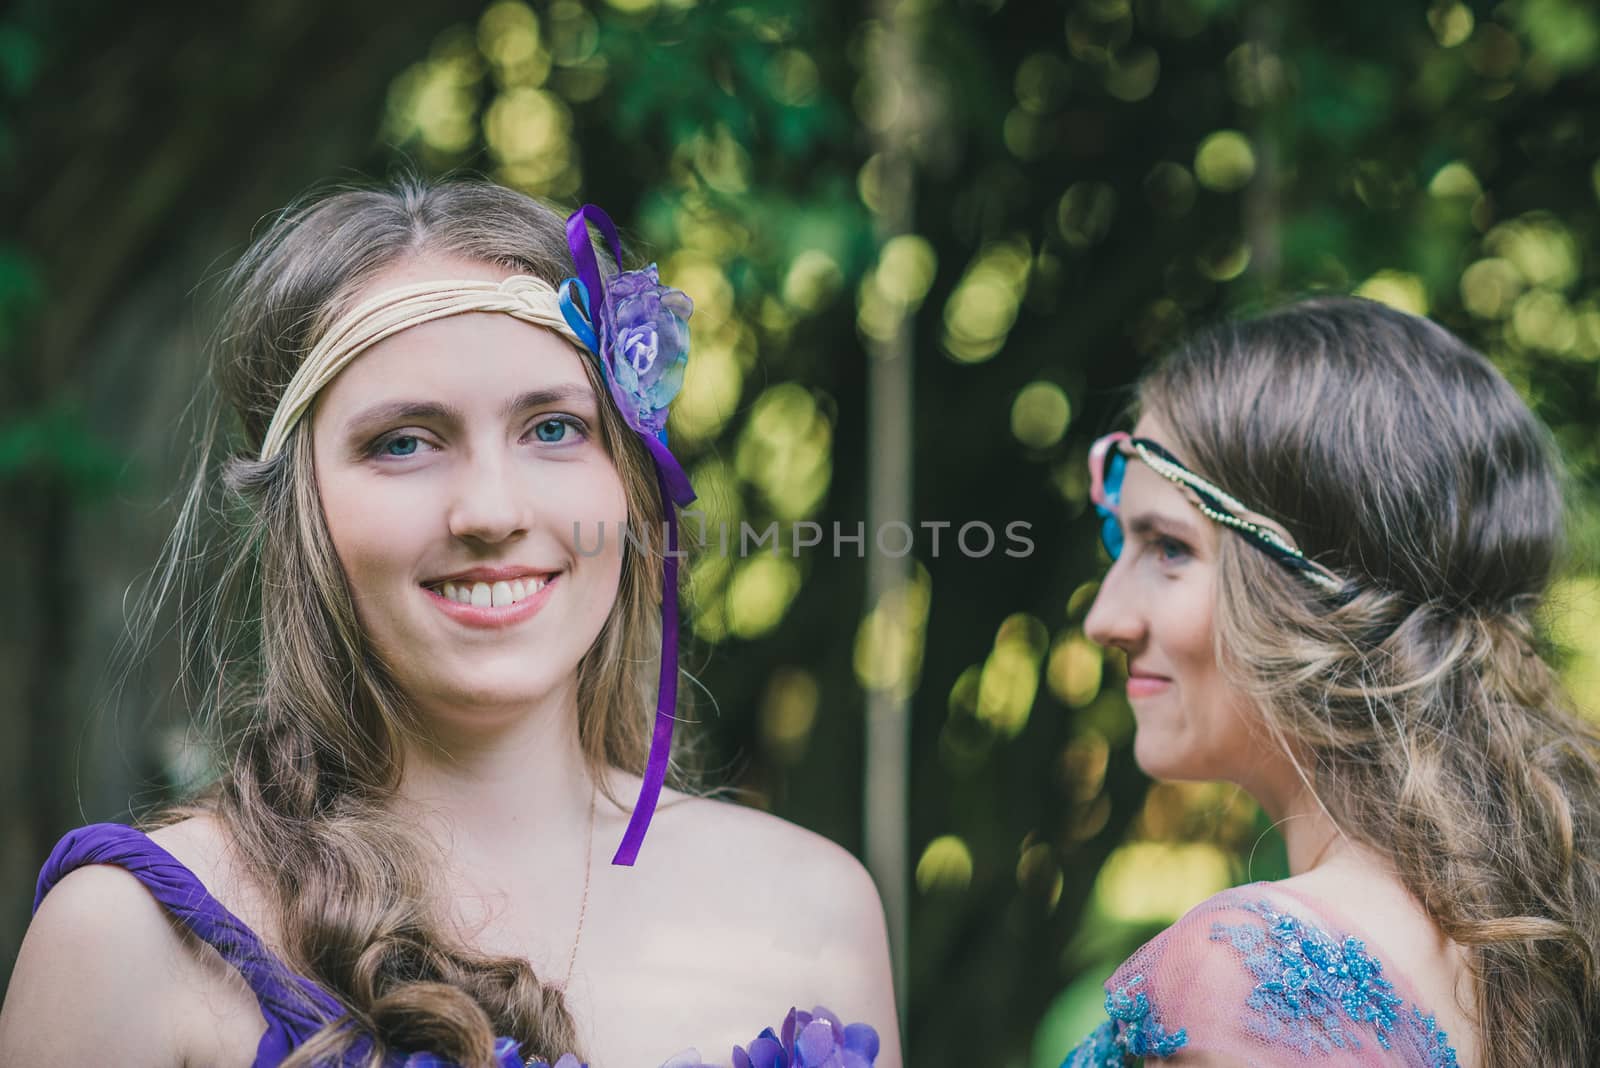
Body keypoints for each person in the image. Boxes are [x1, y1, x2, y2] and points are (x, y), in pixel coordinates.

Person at [0, 177, 899, 1068]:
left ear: (631, 481)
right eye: (405, 442)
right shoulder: (132, 944)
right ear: (298, 508)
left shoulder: (816, 915)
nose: (490, 510)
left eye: (552, 428)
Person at [1059, 297, 1600, 1067]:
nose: (1105, 619)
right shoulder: (1534, 939)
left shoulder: (1246, 976)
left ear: (1309, 592)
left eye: (1168, 548)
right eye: (1122, 540)